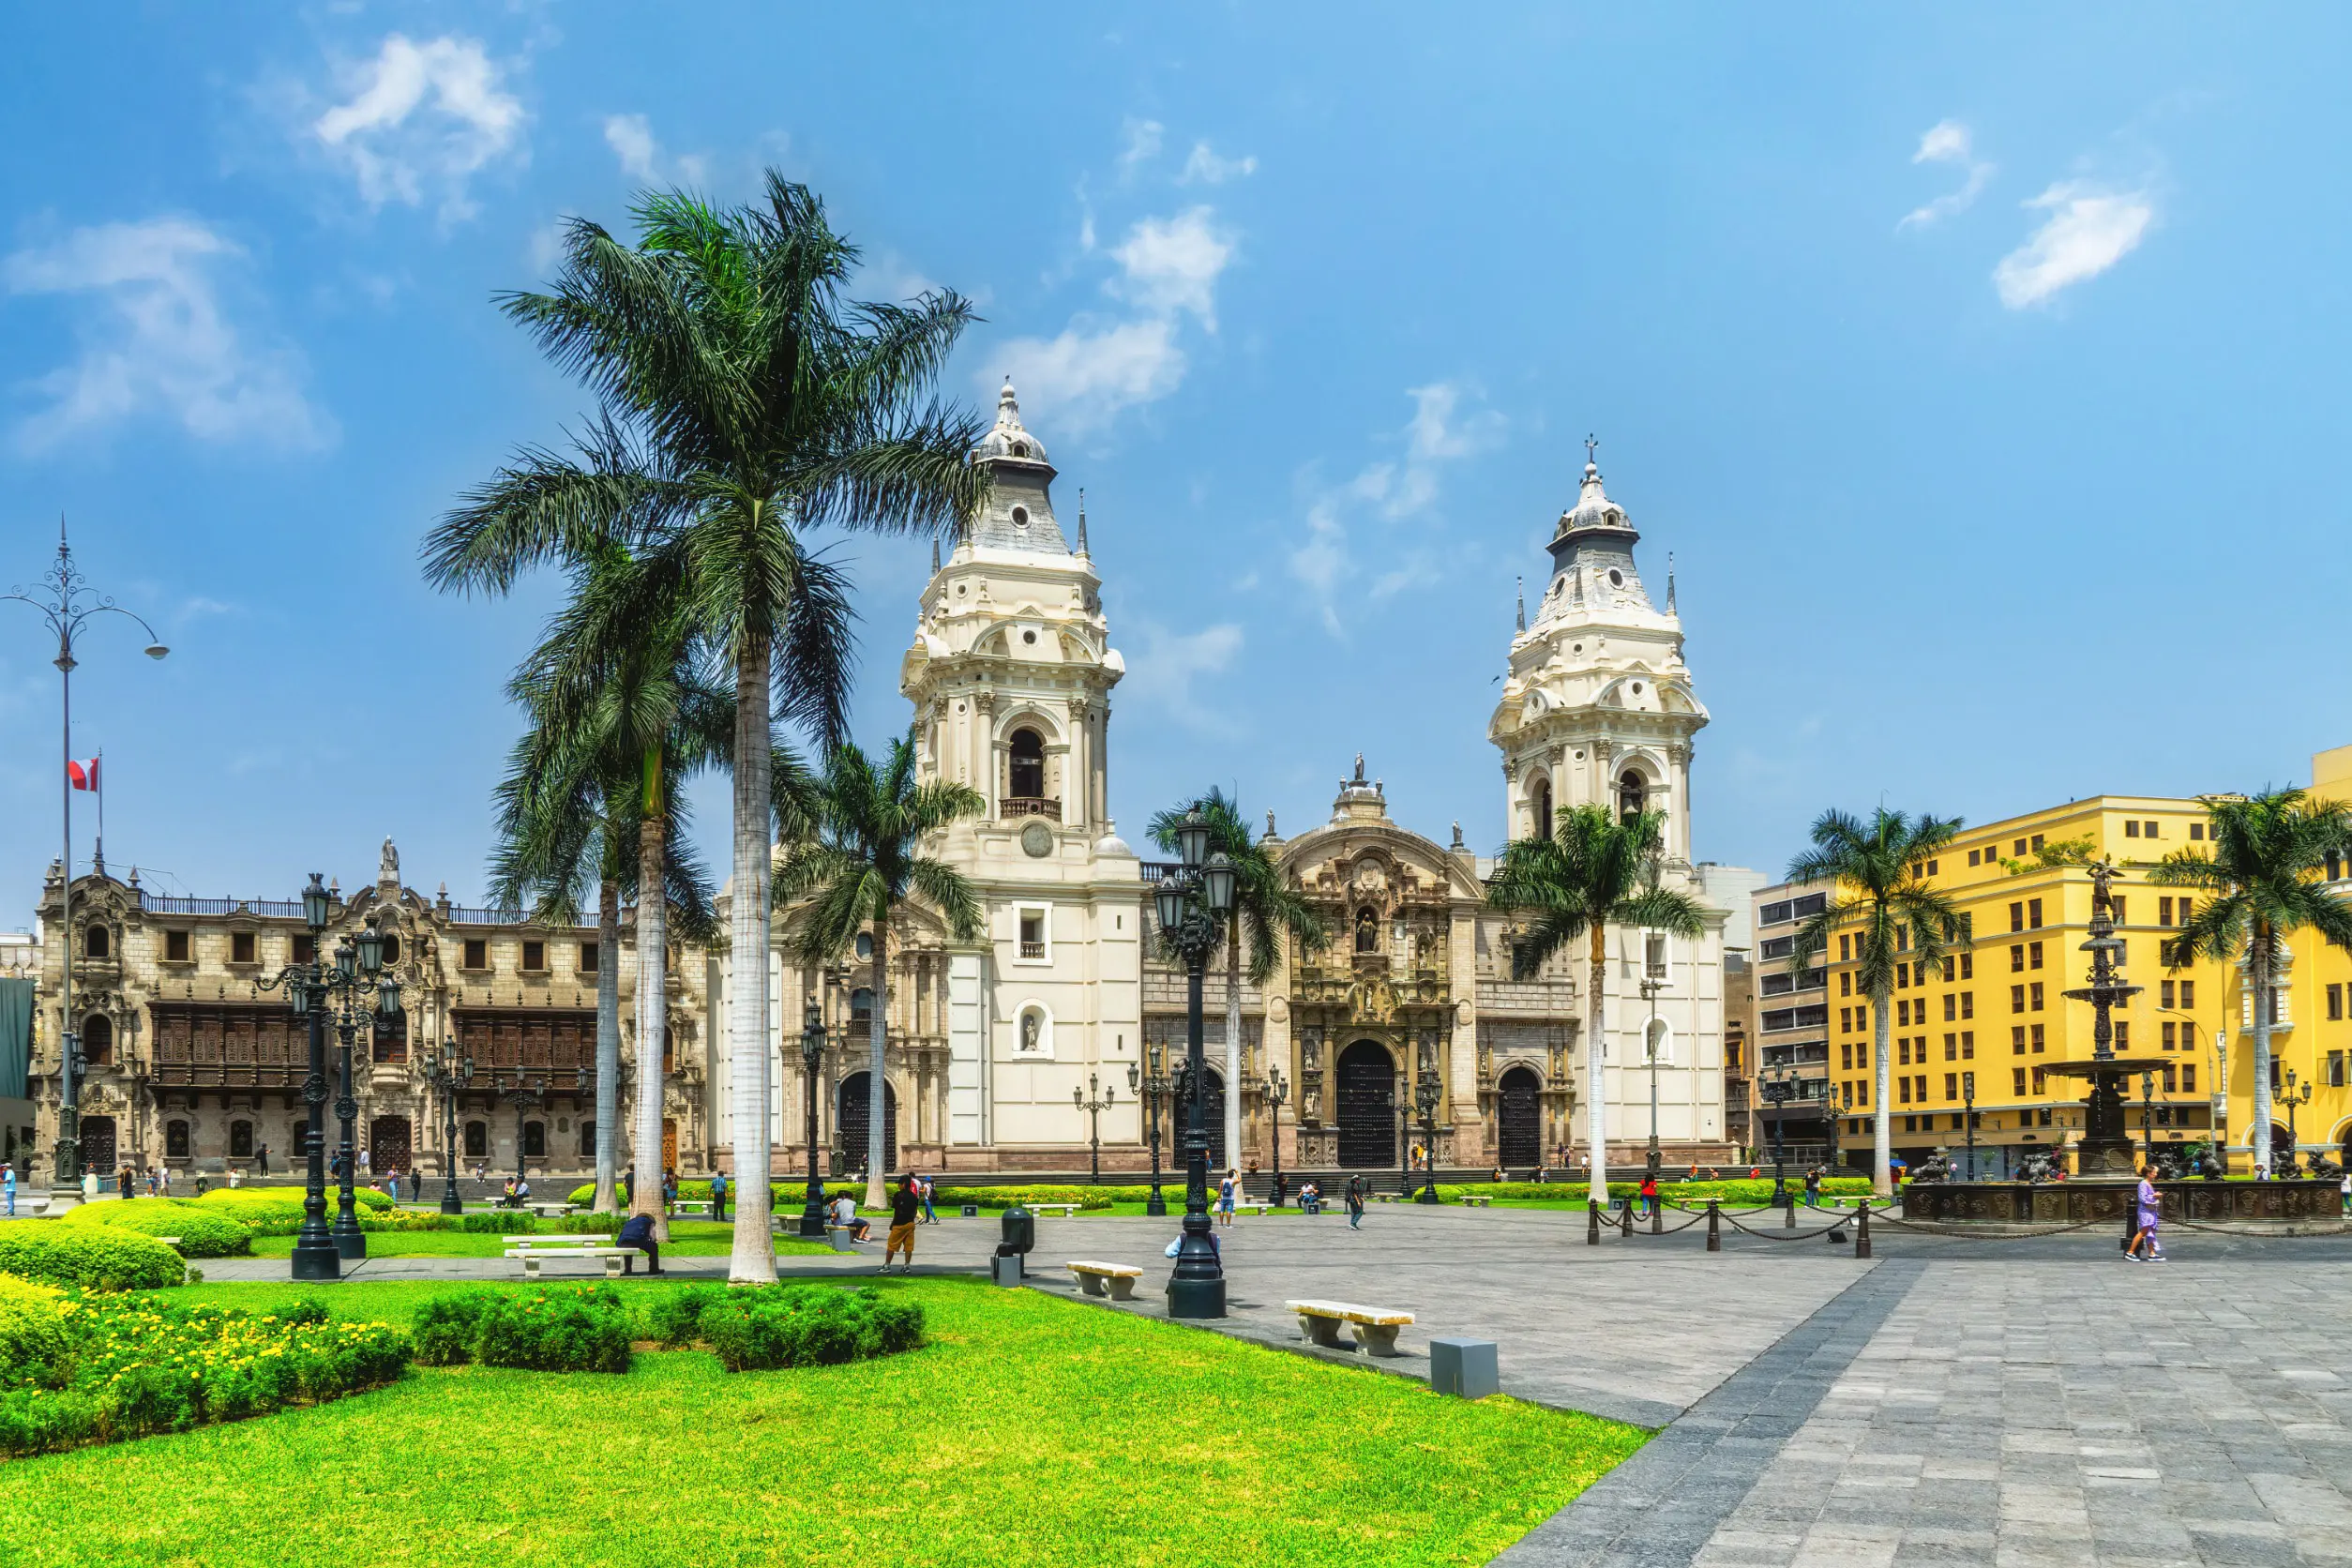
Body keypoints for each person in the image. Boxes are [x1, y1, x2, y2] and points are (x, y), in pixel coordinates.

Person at [2125, 1163, 2165, 1262]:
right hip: (2145, 1212)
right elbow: (2142, 1198)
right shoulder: (2143, 1184)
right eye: (2154, 1173)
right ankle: (2130, 1252)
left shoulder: (2147, 1183)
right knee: (2143, 1231)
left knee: (2150, 1231)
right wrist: (2154, 1196)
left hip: (2150, 1211)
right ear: (2148, 1173)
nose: (2156, 1175)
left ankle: (2152, 1253)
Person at [883, 1175, 921, 1273]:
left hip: (899, 1224)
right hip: (910, 1224)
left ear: (903, 1184)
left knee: (891, 1245)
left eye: (899, 1184)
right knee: (908, 1246)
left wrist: (893, 1223)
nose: (898, 1186)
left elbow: (897, 1211)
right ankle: (907, 1266)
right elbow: (915, 1211)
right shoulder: (914, 1196)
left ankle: (887, 1266)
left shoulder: (898, 1195)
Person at [616, 1210, 665, 1275]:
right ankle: (654, 1269)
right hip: (637, 1240)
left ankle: (628, 1270)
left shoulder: (630, 1221)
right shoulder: (650, 1222)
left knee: (628, 1249)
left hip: (622, 1242)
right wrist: (652, 1241)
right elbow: (652, 1235)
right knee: (654, 1247)